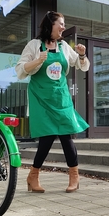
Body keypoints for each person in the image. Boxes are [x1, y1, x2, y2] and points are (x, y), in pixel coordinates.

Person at [15, 11, 90, 193]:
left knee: (66, 134)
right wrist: (38, 60)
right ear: (51, 25)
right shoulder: (34, 45)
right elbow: (20, 69)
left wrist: (81, 55)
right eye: (61, 24)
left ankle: (74, 176)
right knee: (47, 136)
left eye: (64, 24)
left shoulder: (64, 46)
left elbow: (81, 66)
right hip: (41, 98)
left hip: (60, 96)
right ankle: (33, 176)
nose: (63, 27)